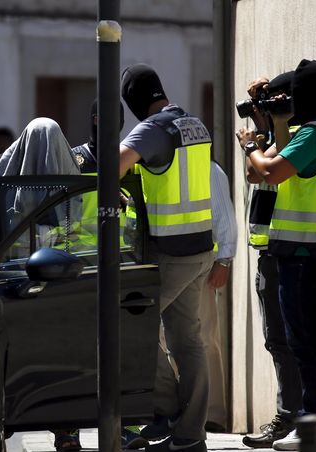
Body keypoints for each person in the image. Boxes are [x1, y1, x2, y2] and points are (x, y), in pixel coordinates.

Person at [118, 64, 214, 452]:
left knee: (130, 326)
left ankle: (168, 413)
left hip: (171, 254)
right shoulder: (194, 124)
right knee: (187, 340)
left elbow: (115, 165)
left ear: (133, 102)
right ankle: (190, 434)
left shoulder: (152, 129)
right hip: (200, 250)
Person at [243, 59, 316, 451]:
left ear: (304, 98)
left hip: (302, 251)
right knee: (305, 339)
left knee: (304, 340)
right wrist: (275, 127)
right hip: (314, 249)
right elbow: (284, 163)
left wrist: (251, 145)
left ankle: (313, 421)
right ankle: (311, 420)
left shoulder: (314, 134)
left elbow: (269, 172)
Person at [238, 72, 304, 449]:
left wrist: (254, 143)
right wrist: (259, 128)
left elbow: (265, 170)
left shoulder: (294, 140)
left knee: (289, 339)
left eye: (273, 102)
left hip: (286, 248)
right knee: (278, 340)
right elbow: (254, 176)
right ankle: (292, 415)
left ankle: (295, 417)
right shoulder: (274, 138)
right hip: (271, 248)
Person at [0, 118, 79, 257]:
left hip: (7, 266)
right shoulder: (70, 174)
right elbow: (75, 229)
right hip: (55, 266)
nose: (46, 158)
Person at [201, 158, 237, 433]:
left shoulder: (209, 168)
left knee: (205, 337)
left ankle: (212, 415)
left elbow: (224, 214)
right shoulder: (154, 163)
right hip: (161, 261)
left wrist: (224, 260)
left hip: (202, 264)